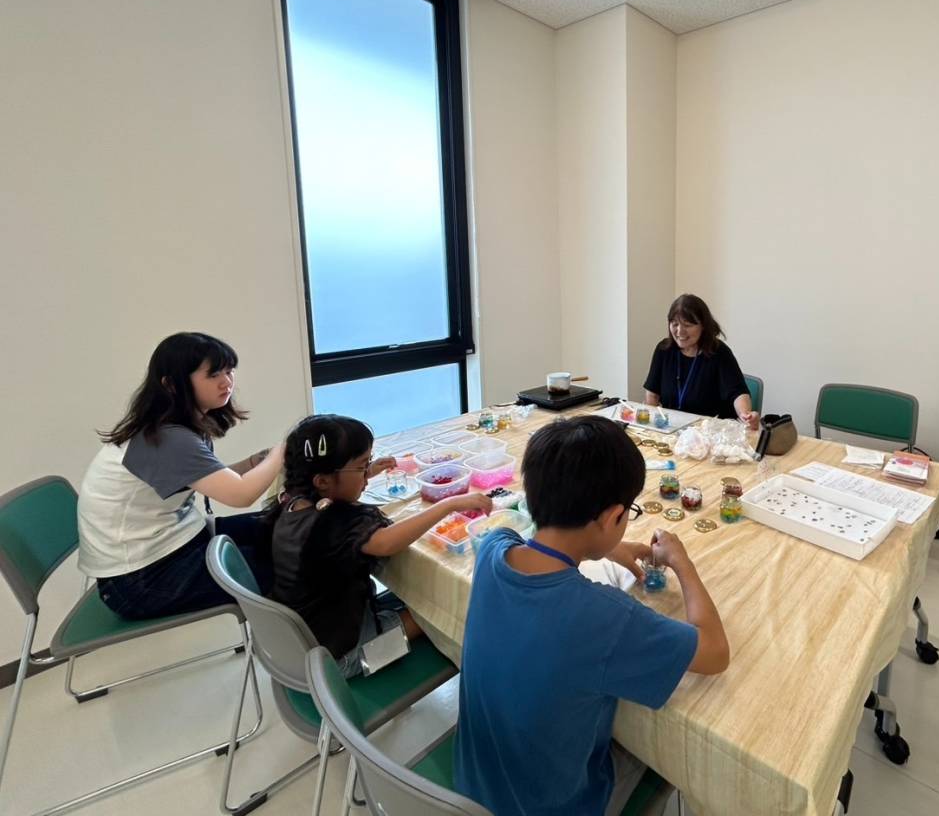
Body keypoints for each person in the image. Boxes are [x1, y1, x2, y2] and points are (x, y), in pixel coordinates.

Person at [453, 416, 730, 816]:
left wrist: (602, 545)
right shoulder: (606, 616)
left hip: (473, 792)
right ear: (613, 516)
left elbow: (531, 539)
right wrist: (682, 562)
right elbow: (715, 652)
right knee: (659, 756)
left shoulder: (493, 550)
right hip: (552, 808)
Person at [79, 332, 285, 620]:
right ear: (172, 384)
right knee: (292, 562)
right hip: (141, 580)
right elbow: (240, 494)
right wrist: (283, 450)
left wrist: (254, 462)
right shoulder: (166, 439)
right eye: (214, 375)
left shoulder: (174, 426)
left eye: (229, 371)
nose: (227, 382)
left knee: (285, 527)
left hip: (175, 544)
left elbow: (209, 478)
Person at [270, 414, 491, 677]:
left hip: (306, 641)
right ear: (323, 481)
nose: (366, 474)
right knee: (440, 613)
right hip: (342, 659)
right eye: (361, 467)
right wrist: (449, 504)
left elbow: (339, 498)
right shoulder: (333, 525)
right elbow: (386, 542)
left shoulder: (293, 502)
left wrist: (365, 473)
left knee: (424, 599)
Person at [643, 293, 759, 428]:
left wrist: (745, 414)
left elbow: (738, 392)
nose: (680, 332)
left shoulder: (719, 352)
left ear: (703, 325)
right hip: (672, 429)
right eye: (675, 324)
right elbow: (652, 394)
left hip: (710, 431)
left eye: (687, 325)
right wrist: (652, 427)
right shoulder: (664, 350)